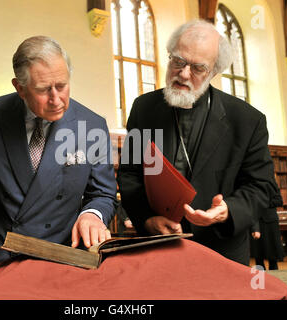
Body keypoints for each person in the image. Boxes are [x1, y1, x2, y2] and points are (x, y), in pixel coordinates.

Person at [117, 19, 276, 265]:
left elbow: (261, 186)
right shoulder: (144, 108)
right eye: (177, 61)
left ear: (213, 71)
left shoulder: (247, 120)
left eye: (198, 68)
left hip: (221, 252)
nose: (183, 74)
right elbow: (130, 174)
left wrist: (227, 211)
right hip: (159, 245)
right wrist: (146, 218)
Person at [0, 36, 117, 268]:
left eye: (62, 86)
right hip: (2, 253)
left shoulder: (92, 126)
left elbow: (103, 194)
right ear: (20, 88)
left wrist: (92, 214)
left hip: (61, 255)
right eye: (43, 90)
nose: (56, 99)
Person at [250, 187, 284, 270]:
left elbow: (279, 201)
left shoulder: (272, 186)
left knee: (273, 256)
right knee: (258, 256)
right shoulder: (251, 186)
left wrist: (263, 202)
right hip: (256, 221)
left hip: (271, 222)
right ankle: (260, 281)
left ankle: (275, 280)